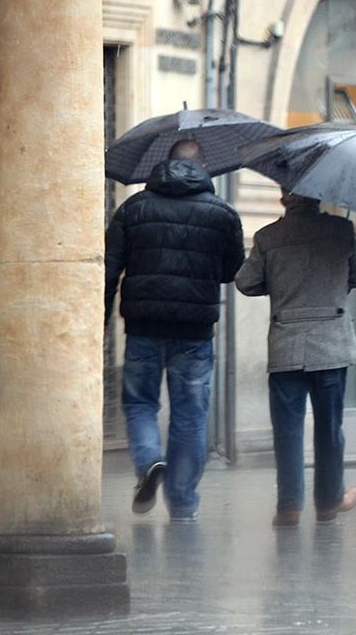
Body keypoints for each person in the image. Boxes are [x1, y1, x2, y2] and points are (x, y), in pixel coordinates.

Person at [104, 138, 245, 522]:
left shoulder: (132, 209)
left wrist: (100, 321)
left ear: (164, 165)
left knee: (139, 403)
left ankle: (150, 460)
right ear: (202, 167)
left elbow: (109, 266)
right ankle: (182, 503)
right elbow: (233, 271)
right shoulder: (223, 213)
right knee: (190, 413)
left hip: (143, 327)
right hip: (195, 332)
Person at [235, 191, 356, 527]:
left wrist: (278, 283)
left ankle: (289, 506)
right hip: (332, 342)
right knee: (329, 427)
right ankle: (328, 501)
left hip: (286, 343)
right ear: (319, 197)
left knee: (287, 430)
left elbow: (245, 282)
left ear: (283, 197)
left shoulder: (268, 236)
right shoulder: (341, 230)